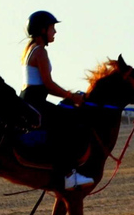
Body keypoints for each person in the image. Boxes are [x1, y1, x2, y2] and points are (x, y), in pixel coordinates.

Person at [21, 10, 93, 190]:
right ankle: (68, 174)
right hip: (35, 101)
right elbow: (48, 85)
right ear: (43, 30)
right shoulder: (40, 52)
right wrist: (72, 96)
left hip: (30, 99)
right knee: (68, 123)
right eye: (52, 28)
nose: (55, 32)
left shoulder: (31, 50)